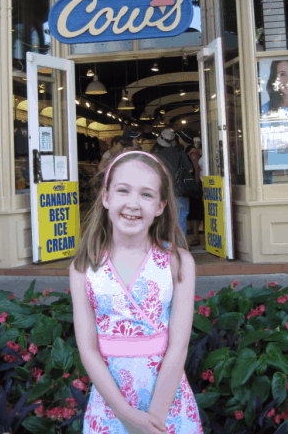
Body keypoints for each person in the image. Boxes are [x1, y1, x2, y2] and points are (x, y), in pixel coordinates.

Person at [69, 150, 203, 434]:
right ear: (106, 197)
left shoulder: (178, 262)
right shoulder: (84, 267)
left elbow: (178, 345)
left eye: (146, 194)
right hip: (111, 405)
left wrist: (154, 418)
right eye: (123, 190)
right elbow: (88, 349)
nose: (133, 203)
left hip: (167, 403)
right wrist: (127, 415)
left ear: (160, 206)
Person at [152, 129, 194, 244]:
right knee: (181, 221)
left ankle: (165, 248)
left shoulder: (155, 155)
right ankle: (180, 249)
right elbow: (190, 169)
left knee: (163, 221)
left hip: (162, 192)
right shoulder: (180, 153)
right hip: (179, 191)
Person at [186, 137, 204, 247]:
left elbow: (196, 168)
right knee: (195, 211)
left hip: (200, 184)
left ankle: (196, 236)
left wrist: (197, 184)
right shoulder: (193, 152)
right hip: (197, 183)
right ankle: (196, 235)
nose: (197, 143)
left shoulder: (197, 153)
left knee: (197, 211)